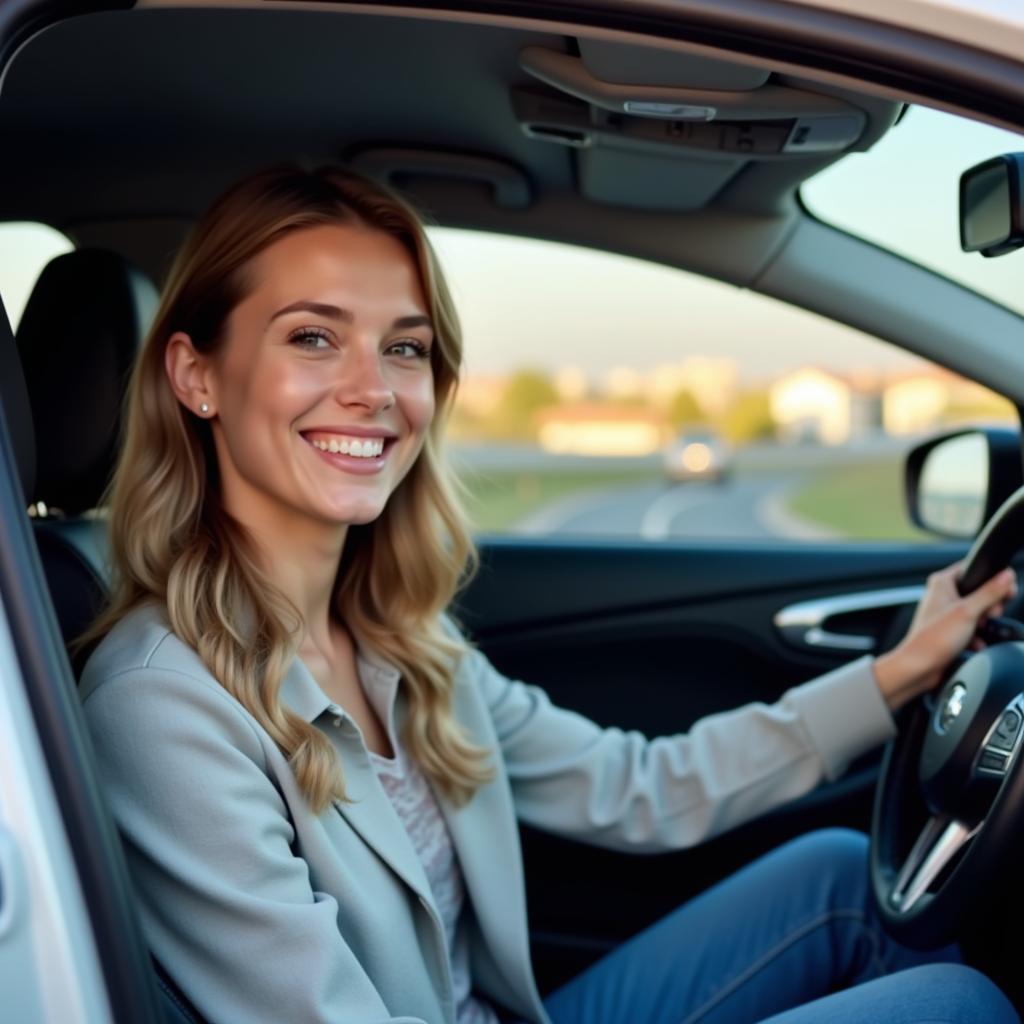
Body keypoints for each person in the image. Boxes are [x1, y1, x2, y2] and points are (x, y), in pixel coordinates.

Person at [78, 165, 1020, 1024]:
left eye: (405, 349)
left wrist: (897, 676)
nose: (373, 389)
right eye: (314, 338)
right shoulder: (162, 704)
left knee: (836, 879)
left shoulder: (400, 642)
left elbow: (640, 788)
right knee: (958, 1005)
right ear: (197, 375)